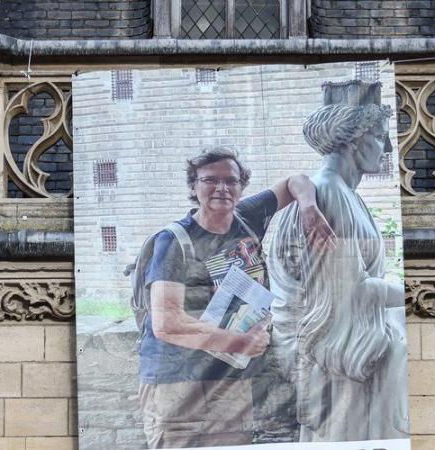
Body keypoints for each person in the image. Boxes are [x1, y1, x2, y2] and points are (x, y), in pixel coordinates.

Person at [139, 147, 335, 449]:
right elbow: (167, 324)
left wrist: (308, 208)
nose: (222, 188)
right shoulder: (174, 240)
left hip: (231, 378)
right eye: (210, 180)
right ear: (193, 186)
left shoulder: (249, 217)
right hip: (176, 382)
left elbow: (297, 180)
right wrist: (239, 342)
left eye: (231, 181)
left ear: (242, 186)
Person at [268, 102, 409, 442]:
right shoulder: (331, 194)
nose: (387, 147)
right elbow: (347, 293)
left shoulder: (338, 193)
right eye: (379, 137)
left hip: (346, 342)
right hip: (339, 354)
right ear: (353, 142)